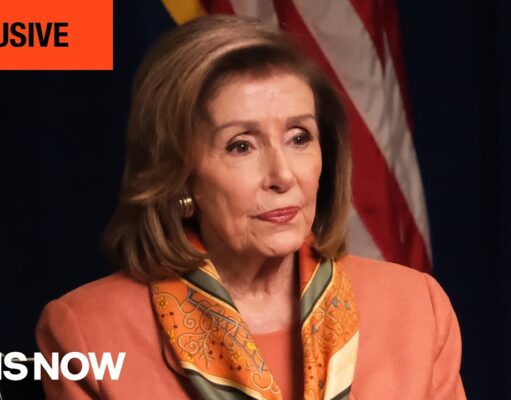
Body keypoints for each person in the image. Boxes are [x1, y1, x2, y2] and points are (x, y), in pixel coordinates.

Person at [36, 15, 466, 400]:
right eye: (241, 146)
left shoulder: (415, 307)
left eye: (299, 137)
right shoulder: (85, 333)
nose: (283, 175)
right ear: (178, 173)